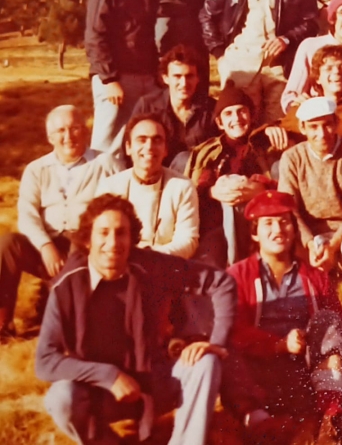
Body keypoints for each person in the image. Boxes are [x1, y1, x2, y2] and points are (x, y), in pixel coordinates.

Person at [36, 194, 235, 445]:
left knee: (205, 363)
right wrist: (108, 376)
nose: (113, 243)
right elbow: (45, 361)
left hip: (156, 381)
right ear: (87, 239)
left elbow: (221, 282)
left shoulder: (151, 265)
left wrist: (216, 341)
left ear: (132, 238)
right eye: (103, 233)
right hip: (103, 393)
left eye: (121, 233)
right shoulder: (68, 285)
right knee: (60, 398)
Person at [222, 190, 342, 444]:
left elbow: (339, 322)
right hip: (259, 369)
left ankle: (328, 418)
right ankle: (257, 420)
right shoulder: (237, 275)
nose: (278, 229)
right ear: (255, 233)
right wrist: (278, 344)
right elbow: (234, 329)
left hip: (305, 369)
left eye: (284, 221)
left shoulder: (315, 276)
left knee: (328, 321)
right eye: (268, 223)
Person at [0, 106, 119, 338]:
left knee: (67, 325)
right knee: (7, 245)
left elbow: (119, 207)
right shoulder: (36, 169)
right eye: (61, 130)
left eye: (75, 128)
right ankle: (3, 324)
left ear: (86, 131)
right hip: (48, 244)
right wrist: (45, 246)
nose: (68, 136)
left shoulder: (106, 163)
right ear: (49, 137)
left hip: (88, 245)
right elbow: (27, 213)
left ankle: (55, 306)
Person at [185, 84, 286, 268]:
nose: (237, 119)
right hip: (217, 224)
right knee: (210, 265)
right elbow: (196, 187)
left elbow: (285, 185)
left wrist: (261, 189)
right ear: (220, 123)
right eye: (228, 114)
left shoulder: (265, 143)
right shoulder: (209, 151)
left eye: (241, 111)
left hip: (261, 219)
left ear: (251, 114)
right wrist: (212, 191)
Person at [85, 0, 167, 152]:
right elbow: (94, 35)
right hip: (115, 79)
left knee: (139, 142)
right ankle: (98, 188)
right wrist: (109, 79)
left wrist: (155, 75)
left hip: (145, 79)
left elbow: (148, 37)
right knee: (107, 146)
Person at [278, 97, 342, 273]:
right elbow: (288, 207)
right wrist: (309, 243)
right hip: (307, 235)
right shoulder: (292, 158)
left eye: (327, 124)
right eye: (313, 127)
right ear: (302, 128)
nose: (322, 134)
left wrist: (333, 245)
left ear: (337, 123)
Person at [96, 114, 200, 259]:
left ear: (165, 150)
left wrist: (151, 257)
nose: (149, 147)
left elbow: (188, 241)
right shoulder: (110, 187)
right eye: (142, 140)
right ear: (128, 148)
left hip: (165, 266)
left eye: (157, 140)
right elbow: (100, 239)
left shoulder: (182, 187)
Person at [131, 45, 217, 171]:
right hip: (152, 174)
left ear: (198, 78)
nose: (184, 83)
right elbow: (129, 146)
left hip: (195, 177)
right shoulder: (147, 106)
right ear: (166, 78)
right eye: (177, 76)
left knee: (184, 159)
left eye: (189, 76)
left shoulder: (210, 109)